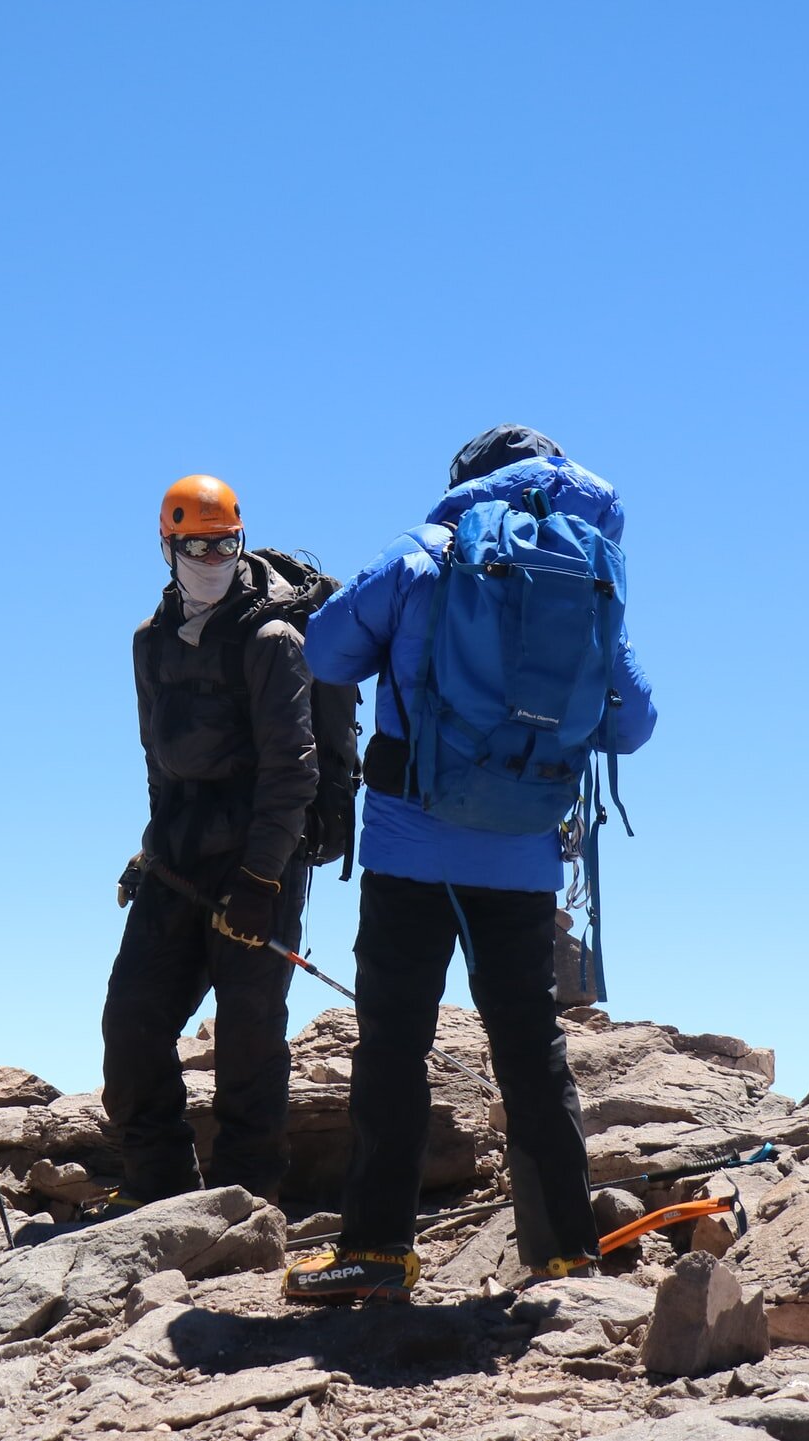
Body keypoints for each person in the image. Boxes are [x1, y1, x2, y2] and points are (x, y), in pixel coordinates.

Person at [282, 424, 657, 1303]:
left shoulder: (425, 553)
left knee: (395, 1046)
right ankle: (565, 1254)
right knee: (532, 1048)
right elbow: (633, 722)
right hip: (525, 855)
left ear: (467, 478)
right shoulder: (594, 568)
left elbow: (325, 649)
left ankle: (377, 1253)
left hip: (413, 844)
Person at [98, 475, 321, 1211]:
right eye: (197, 543)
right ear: (168, 544)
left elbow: (294, 770)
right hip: (179, 859)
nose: (213, 555)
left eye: (226, 542)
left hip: (260, 861)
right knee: (132, 1016)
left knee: (249, 1034)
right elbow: (156, 762)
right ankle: (155, 1186)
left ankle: (242, 1201)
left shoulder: (272, 639)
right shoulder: (150, 641)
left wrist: (261, 879)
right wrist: (153, 847)